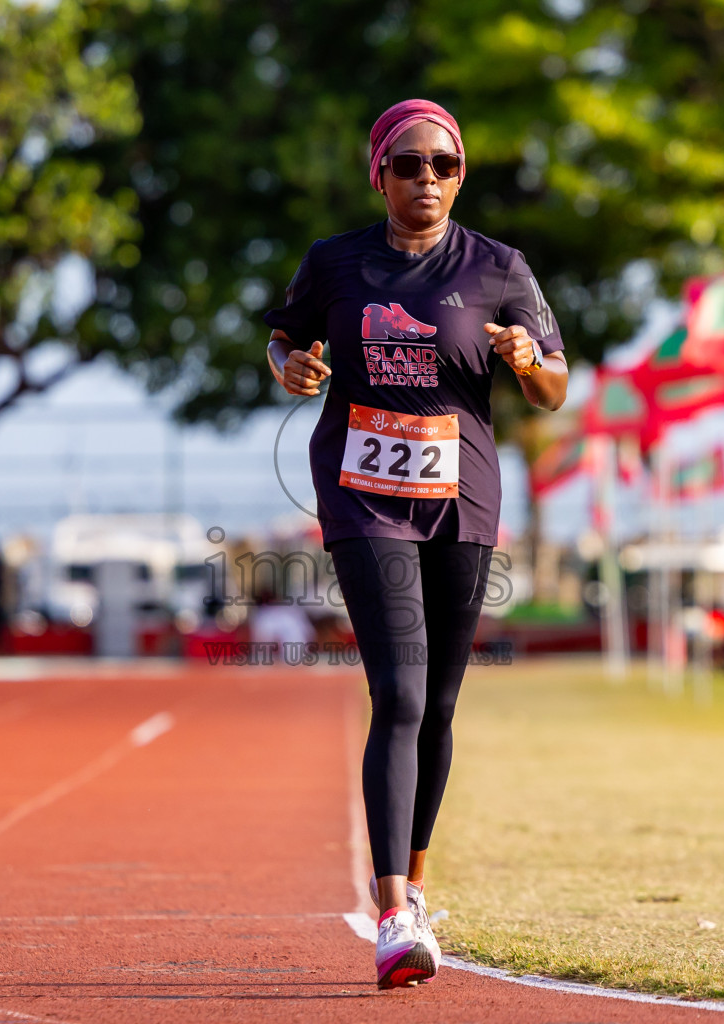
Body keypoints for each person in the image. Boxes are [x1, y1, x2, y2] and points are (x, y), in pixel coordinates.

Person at [264, 98, 567, 990]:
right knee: (395, 688)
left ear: (461, 174)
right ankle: (392, 910)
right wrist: (290, 365)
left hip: (462, 501)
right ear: (379, 174)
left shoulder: (501, 269)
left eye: (444, 165)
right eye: (409, 165)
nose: (426, 179)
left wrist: (525, 361)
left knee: (437, 703)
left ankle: (417, 887)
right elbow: (284, 341)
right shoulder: (334, 263)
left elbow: (553, 388)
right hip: (365, 498)